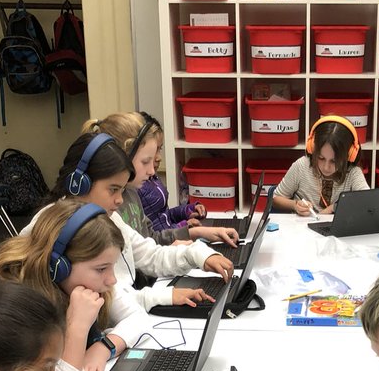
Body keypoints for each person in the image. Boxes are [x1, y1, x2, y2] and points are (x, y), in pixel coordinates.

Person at [27, 130, 232, 304]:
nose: (119, 200)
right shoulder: (57, 226)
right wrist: (162, 296)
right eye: (113, 189)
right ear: (79, 183)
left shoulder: (109, 217)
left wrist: (198, 254)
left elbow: (150, 255)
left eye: (122, 190)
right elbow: (106, 301)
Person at [0, 200, 153, 371]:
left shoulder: (84, 285)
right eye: (101, 269)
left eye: (112, 266)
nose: (112, 279)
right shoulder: (18, 303)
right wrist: (77, 328)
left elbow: (139, 318)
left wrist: (104, 347)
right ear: (59, 266)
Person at [86, 112, 240, 247]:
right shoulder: (108, 209)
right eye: (145, 162)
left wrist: (199, 232)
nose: (152, 171)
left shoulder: (132, 193)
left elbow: (151, 239)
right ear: (122, 158)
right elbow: (140, 257)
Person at [273, 116, 369, 215]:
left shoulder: (353, 173)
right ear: (312, 148)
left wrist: (334, 207)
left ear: (350, 155)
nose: (326, 167)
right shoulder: (301, 166)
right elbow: (275, 199)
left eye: (334, 161)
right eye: (321, 158)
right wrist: (295, 205)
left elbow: (368, 203)